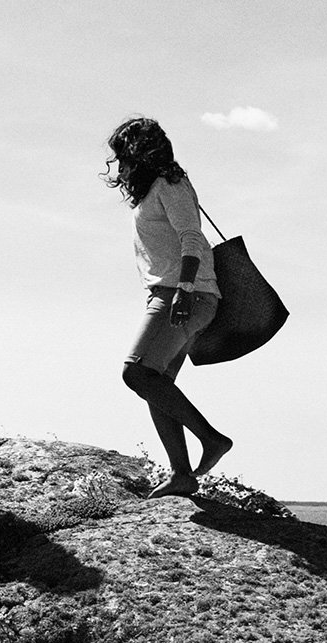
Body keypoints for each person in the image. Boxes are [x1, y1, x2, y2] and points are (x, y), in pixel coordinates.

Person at [103, 117, 233, 498]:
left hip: (182, 292)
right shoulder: (152, 190)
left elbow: (191, 237)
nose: (118, 164)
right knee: (156, 382)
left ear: (138, 152)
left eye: (122, 155)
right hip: (173, 292)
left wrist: (186, 288)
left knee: (137, 373)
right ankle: (181, 474)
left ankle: (211, 440)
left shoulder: (170, 183)